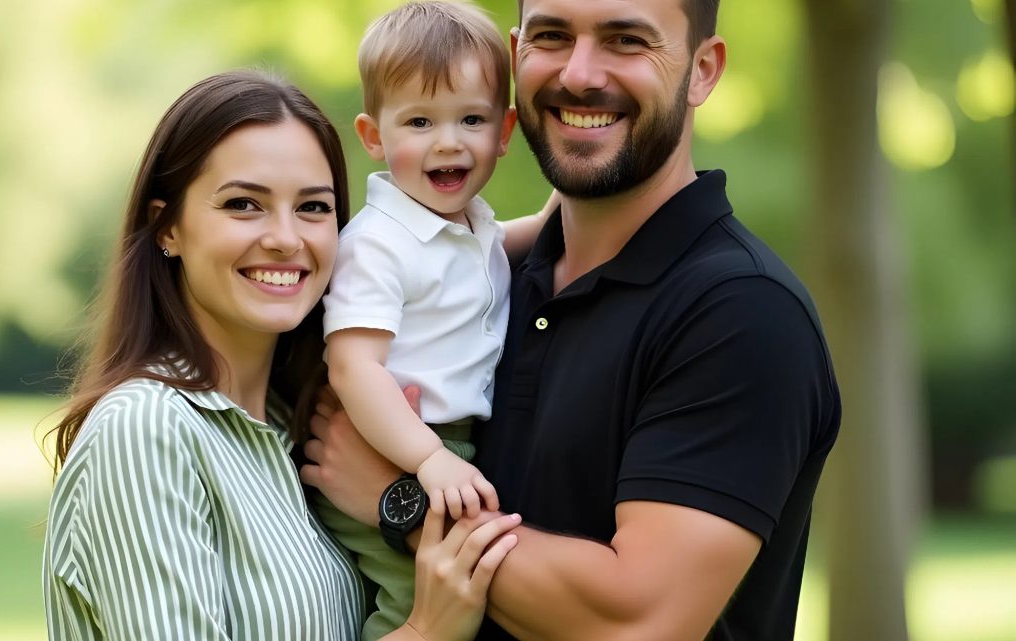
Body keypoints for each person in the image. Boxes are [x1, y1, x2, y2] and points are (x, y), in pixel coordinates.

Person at [302, 0, 842, 639]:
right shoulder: (499, 271)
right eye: (552, 36)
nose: (580, 74)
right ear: (516, 54)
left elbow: (636, 622)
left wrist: (403, 505)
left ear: (702, 69)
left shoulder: (741, 314)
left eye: (625, 40)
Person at [41, 69, 521, 641]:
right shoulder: (146, 428)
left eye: (314, 208)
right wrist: (426, 631)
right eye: (244, 204)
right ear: (167, 226)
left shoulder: (303, 429)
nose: (287, 238)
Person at [317, 3, 551, 639]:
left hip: (451, 447)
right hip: (400, 443)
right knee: (418, 597)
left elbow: (508, 241)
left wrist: (571, 199)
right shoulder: (379, 243)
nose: (448, 141)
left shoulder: (469, 224)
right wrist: (426, 461)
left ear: (504, 131)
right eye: (419, 121)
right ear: (374, 136)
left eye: (471, 119)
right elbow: (352, 364)